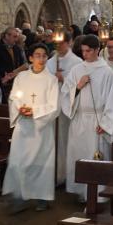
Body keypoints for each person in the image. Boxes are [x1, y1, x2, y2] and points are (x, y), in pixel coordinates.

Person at [2, 43, 60, 213]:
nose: (41, 59)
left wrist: (34, 111)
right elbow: (14, 97)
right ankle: (19, 196)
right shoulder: (21, 77)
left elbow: (55, 106)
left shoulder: (51, 80)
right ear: (30, 58)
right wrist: (20, 108)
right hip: (23, 127)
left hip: (41, 129)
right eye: (37, 55)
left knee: (40, 163)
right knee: (18, 161)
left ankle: (42, 197)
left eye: (44, 56)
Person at [61, 34, 113, 201]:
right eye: (83, 51)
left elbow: (112, 100)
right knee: (79, 155)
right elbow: (65, 93)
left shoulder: (107, 71)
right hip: (79, 119)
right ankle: (80, 192)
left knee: (95, 158)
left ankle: (97, 196)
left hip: (97, 121)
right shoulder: (76, 70)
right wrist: (78, 86)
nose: (84, 54)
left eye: (88, 51)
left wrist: (106, 124)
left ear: (97, 50)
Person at [46, 31, 82, 185]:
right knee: (53, 141)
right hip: (52, 106)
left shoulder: (77, 62)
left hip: (68, 107)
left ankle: (67, 174)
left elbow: (80, 85)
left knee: (66, 140)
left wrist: (64, 79)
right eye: (56, 43)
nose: (59, 46)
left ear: (69, 42)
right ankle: (54, 174)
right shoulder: (50, 61)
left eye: (62, 43)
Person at [0, 27, 27, 102]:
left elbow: (22, 63)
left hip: (15, 81)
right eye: (14, 37)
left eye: (17, 37)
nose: (16, 39)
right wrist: (2, 76)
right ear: (6, 36)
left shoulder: (17, 48)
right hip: (3, 82)